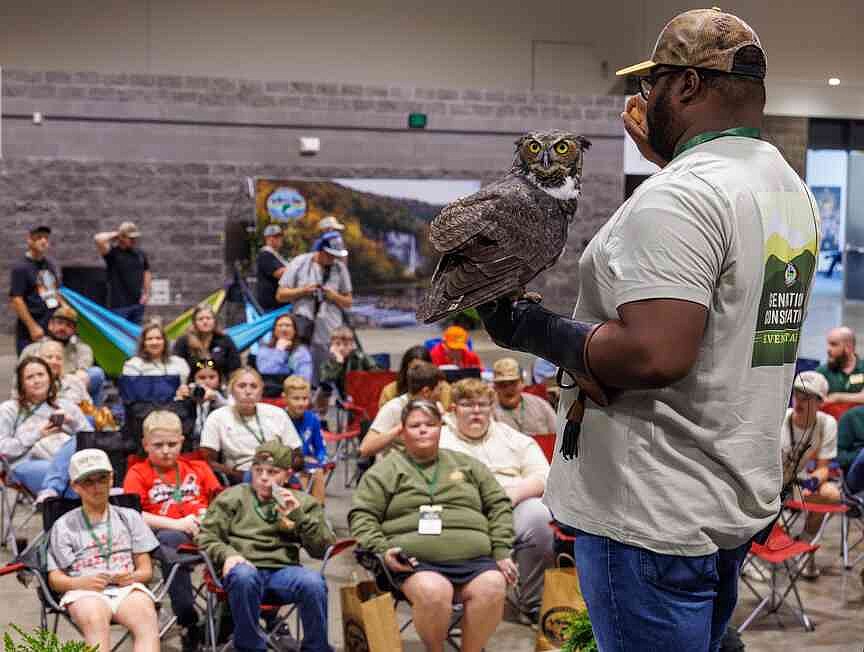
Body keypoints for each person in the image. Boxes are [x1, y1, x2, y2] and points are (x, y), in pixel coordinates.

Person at [479, 9, 819, 650]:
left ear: (687, 87)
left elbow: (655, 352)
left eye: (654, 83)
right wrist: (671, 161)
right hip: (725, 496)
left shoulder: (680, 196)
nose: (640, 99)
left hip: (650, 513)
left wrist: (529, 327)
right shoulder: (784, 187)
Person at [349, 399, 516, 652]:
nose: (423, 429)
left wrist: (502, 551)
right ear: (402, 431)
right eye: (415, 425)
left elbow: (499, 504)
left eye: (430, 424)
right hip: (414, 563)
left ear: (441, 428)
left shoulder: (468, 464)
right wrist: (382, 549)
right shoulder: (385, 471)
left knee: (493, 585)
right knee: (434, 591)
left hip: (475, 559)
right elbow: (362, 515)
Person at [197, 440, 336, 652]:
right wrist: (227, 555)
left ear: (287, 475)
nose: (263, 477)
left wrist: (298, 516)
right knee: (244, 575)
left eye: (272, 472)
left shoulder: (302, 502)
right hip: (243, 568)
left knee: (313, 582)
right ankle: (250, 647)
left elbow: (322, 548)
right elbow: (206, 536)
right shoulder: (233, 496)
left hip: (282, 573)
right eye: (258, 470)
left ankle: (316, 649)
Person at [439, 378, 553, 623]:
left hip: (511, 503)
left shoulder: (511, 437)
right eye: (468, 405)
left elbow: (543, 476)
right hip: (463, 510)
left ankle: (531, 603)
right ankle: (458, 600)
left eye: (483, 405)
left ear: (492, 408)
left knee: (539, 515)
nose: (477, 411)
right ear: (454, 408)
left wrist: (510, 496)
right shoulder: (440, 439)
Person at [123, 411, 222, 652]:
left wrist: (209, 519)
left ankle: (228, 619)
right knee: (170, 541)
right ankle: (187, 618)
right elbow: (132, 514)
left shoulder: (197, 468)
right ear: (146, 445)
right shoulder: (138, 473)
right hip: (166, 535)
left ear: (182, 441)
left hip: (207, 532)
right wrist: (178, 524)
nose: (166, 450)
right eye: (158, 445)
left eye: (172, 444)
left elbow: (222, 503)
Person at [47, 448, 160, 652]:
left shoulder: (129, 517)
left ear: (112, 479)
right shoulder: (64, 525)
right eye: (88, 481)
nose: (97, 487)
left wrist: (131, 577)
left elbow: (146, 571)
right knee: (95, 618)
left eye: (102, 479)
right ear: (75, 486)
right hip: (83, 589)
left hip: (126, 587)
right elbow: (55, 579)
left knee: (146, 616)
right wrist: (80, 582)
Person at [0, 356, 91, 495]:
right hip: (25, 462)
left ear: (50, 378)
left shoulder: (66, 405)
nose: (36, 380)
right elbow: (3, 448)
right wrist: (38, 434)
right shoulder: (9, 409)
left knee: (80, 461)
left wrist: (71, 423)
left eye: (41, 375)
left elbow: (91, 439)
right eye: (30, 377)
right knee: (74, 482)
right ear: (21, 384)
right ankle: (53, 490)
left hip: (68, 460)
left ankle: (52, 491)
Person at [780, 371, 839, 579]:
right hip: (771, 483)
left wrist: (813, 481)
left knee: (832, 494)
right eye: (797, 394)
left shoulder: (827, 424)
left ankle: (803, 545)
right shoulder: (780, 419)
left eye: (807, 397)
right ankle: (755, 554)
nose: (800, 401)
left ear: (820, 402)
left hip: (795, 481)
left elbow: (824, 467)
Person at [276, 231, 353, 385]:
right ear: (321, 250)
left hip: (330, 330)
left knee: (328, 374)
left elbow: (348, 301)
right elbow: (280, 295)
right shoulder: (299, 263)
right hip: (303, 327)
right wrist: (303, 291)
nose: (333, 259)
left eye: (335, 255)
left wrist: (333, 296)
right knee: (303, 367)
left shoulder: (339, 268)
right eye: (330, 254)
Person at [200, 368, 302, 484]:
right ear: (231, 390)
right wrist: (237, 474)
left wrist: (283, 471)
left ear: (261, 391)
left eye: (254, 386)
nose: (248, 391)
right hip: (241, 475)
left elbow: (296, 454)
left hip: (277, 471)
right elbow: (208, 462)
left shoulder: (277, 414)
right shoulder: (217, 417)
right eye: (242, 386)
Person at [19, 306, 106, 406]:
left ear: (74, 330)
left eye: (68, 325)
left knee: (96, 373)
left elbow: (82, 375)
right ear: (50, 325)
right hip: (39, 395)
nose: (63, 328)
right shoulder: (31, 349)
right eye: (59, 323)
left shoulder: (82, 349)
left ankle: (95, 416)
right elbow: (19, 380)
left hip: (72, 394)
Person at [359, 362, 444, 458]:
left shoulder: (436, 407)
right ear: (426, 392)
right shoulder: (394, 408)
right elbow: (364, 449)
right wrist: (400, 428)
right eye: (440, 389)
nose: (442, 394)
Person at [10, 225, 60, 354]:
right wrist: (32, 326)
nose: (43, 241)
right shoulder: (21, 268)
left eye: (46, 238)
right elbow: (17, 300)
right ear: (29, 240)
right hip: (32, 329)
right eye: (39, 238)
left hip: (50, 326)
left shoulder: (49, 264)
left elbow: (54, 292)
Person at [94, 221, 151, 324]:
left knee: (135, 336)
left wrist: (146, 293)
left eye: (135, 238)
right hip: (119, 306)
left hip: (137, 304)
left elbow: (146, 272)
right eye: (131, 238)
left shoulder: (140, 254)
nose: (134, 240)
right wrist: (117, 234)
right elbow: (98, 239)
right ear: (122, 238)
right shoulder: (112, 253)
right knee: (119, 334)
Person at [282, 375, 327, 503]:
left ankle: (318, 512)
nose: (301, 403)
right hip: (285, 466)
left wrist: (320, 462)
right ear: (284, 398)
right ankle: (300, 510)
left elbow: (321, 448)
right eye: (296, 398)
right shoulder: (278, 418)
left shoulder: (312, 419)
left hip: (308, 466)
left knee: (316, 471)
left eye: (305, 398)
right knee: (303, 475)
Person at [121, 322, 191, 403]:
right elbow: (131, 397)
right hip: (143, 411)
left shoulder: (179, 363)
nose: (154, 342)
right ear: (143, 343)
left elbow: (184, 392)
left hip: (175, 410)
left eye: (158, 338)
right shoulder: (132, 365)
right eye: (149, 339)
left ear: (165, 341)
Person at [173, 304, 241, 381]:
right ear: (194, 322)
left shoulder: (224, 340)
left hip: (220, 386)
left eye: (208, 318)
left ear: (214, 321)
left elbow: (235, 367)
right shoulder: (184, 341)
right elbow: (177, 366)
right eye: (200, 319)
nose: (205, 322)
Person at [491, 357, 557, 434]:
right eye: (502, 384)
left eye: (513, 383)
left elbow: (557, 433)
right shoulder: (488, 411)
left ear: (522, 383)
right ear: (495, 387)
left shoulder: (540, 405)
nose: (508, 389)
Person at [255, 313, 314, 396]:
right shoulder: (264, 350)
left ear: (295, 331)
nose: (284, 329)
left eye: (288, 325)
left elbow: (304, 378)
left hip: (293, 394)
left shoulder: (302, 352)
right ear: (274, 330)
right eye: (280, 325)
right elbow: (265, 371)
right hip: (268, 394)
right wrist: (280, 351)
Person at [379, 345, 452, 410]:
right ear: (405, 369)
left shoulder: (443, 388)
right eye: (413, 368)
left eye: (422, 369)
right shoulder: (390, 391)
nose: (417, 372)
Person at [175, 357, 229, 443]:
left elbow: (231, 409)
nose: (207, 381)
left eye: (212, 377)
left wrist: (216, 399)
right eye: (202, 378)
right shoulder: (188, 394)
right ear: (193, 379)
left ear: (219, 379)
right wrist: (179, 400)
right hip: (190, 441)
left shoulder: (222, 397)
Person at [317, 326, 378, 402]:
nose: (341, 348)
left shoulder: (361, 357)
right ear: (332, 346)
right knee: (320, 391)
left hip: (363, 396)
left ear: (351, 346)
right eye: (337, 344)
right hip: (343, 398)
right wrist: (338, 363)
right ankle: (320, 413)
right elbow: (326, 382)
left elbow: (376, 374)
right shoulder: (329, 363)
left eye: (346, 344)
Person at [36, 339, 91, 404]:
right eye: (49, 357)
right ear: (39, 359)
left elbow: (89, 406)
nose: (54, 362)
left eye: (58, 358)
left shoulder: (75, 381)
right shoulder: (33, 384)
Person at [818, 326, 864, 404]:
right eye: (828, 344)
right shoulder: (821, 372)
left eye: (833, 344)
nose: (828, 349)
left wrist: (837, 397)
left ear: (848, 347)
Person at [256, 224, 290, 312]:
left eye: (280, 236)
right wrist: (296, 266)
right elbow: (278, 273)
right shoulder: (265, 254)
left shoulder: (276, 255)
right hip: (271, 306)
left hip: (279, 305)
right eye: (276, 236)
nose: (280, 239)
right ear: (268, 238)